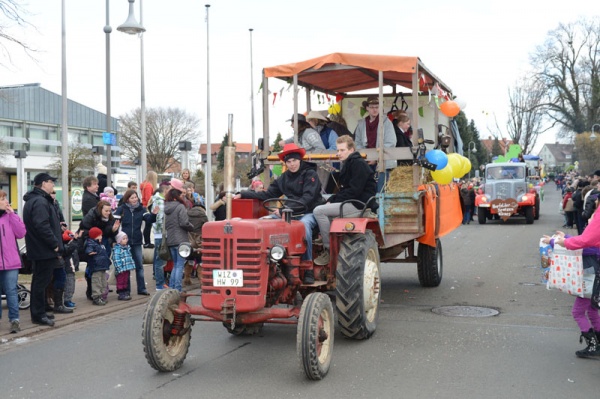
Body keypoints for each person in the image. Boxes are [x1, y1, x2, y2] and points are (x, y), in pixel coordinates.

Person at [235, 143, 322, 283]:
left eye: (294, 160)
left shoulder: (310, 174)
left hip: (308, 211)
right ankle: (258, 265)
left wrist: (284, 209)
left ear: (300, 160)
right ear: (285, 163)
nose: (292, 164)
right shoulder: (284, 177)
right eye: (289, 161)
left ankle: (307, 268)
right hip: (288, 212)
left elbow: (307, 198)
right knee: (262, 222)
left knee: (303, 227)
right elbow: (269, 193)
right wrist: (243, 194)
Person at [544, 205, 600, 358]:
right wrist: (566, 237)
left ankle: (593, 344)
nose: (590, 219)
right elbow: (582, 242)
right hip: (594, 276)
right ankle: (597, 343)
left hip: (591, 278)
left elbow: (581, 245)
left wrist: (554, 242)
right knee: (593, 310)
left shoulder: (594, 243)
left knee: (577, 312)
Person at [313, 136, 377, 266]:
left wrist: (334, 200)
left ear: (351, 149)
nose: (338, 153)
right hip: (352, 199)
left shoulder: (358, 164)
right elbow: (346, 190)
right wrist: (331, 199)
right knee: (320, 199)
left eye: (342, 150)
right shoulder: (349, 163)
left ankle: (328, 248)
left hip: (358, 204)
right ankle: (320, 233)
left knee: (319, 211)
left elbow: (354, 191)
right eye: (338, 150)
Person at [23, 173, 63, 327]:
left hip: (40, 249)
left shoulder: (37, 200)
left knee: (40, 282)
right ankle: (38, 315)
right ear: (43, 183)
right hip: (43, 250)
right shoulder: (39, 201)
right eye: (51, 182)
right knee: (40, 283)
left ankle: (40, 312)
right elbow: (42, 225)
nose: (53, 184)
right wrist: (54, 244)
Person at [114, 190, 156, 296]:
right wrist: (116, 236)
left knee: (139, 266)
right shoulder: (122, 209)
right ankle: (126, 290)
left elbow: (149, 219)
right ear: (127, 199)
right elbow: (114, 222)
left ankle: (141, 288)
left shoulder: (141, 209)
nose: (134, 199)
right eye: (132, 198)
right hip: (125, 242)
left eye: (136, 197)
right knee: (126, 267)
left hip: (137, 240)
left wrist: (154, 214)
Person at [79, 200, 120, 300]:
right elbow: (84, 229)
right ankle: (92, 291)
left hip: (104, 244)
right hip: (92, 243)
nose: (108, 213)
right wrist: (95, 237)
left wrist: (113, 230)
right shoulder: (91, 215)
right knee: (92, 269)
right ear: (100, 209)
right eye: (106, 211)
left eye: (110, 211)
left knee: (102, 268)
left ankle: (101, 291)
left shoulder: (110, 218)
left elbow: (109, 233)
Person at [354, 96, 397, 192]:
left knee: (381, 190)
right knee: (367, 190)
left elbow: (390, 142)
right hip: (365, 162)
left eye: (377, 107)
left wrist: (376, 157)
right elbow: (357, 142)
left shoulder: (386, 122)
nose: (375, 109)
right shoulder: (361, 124)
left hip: (383, 162)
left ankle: (379, 206)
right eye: (372, 107)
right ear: (367, 108)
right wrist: (365, 157)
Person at [0, 190, 27, 333]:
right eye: (2, 199)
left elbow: (21, 233)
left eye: (5, 198)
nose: (6, 201)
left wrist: (13, 215)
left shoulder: (10, 217)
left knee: (11, 291)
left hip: (11, 262)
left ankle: (15, 320)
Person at [163, 179, 194, 291]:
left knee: (175, 265)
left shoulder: (166, 208)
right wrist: (191, 227)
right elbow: (184, 222)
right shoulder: (180, 207)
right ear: (177, 196)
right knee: (179, 265)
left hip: (171, 239)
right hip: (181, 240)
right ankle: (177, 289)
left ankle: (172, 288)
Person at [85, 227, 111, 306]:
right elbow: (88, 249)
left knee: (103, 282)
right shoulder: (91, 243)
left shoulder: (100, 244)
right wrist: (89, 252)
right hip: (96, 267)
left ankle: (101, 296)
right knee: (96, 282)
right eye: (99, 235)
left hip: (102, 266)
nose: (101, 237)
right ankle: (96, 297)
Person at [151, 182, 169, 291]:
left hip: (160, 234)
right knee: (160, 260)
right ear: (165, 190)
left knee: (159, 259)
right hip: (161, 234)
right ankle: (159, 284)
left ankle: (161, 282)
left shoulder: (158, 200)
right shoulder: (159, 201)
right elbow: (159, 219)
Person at [111, 231, 136, 301]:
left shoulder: (127, 248)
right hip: (121, 269)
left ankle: (125, 292)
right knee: (120, 281)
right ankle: (121, 293)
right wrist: (119, 268)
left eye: (126, 238)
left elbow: (130, 258)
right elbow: (116, 259)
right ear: (119, 240)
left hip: (126, 268)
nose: (126, 240)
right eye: (123, 239)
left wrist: (132, 265)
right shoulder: (117, 249)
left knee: (125, 281)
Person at [61, 230, 79, 309]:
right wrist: (74, 240)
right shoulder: (66, 247)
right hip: (68, 269)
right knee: (69, 286)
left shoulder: (72, 247)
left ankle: (69, 299)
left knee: (71, 286)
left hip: (72, 269)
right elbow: (68, 250)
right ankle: (66, 301)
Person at [140, 171, 158, 248]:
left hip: (144, 205)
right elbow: (148, 198)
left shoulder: (144, 184)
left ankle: (147, 241)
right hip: (147, 206)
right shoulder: (148, 186)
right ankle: (147, 242)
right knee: (148, 225)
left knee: (147, 226)